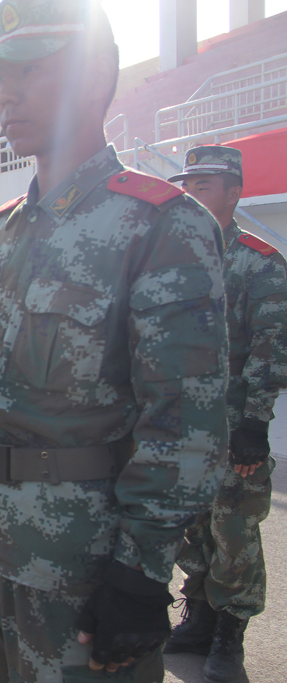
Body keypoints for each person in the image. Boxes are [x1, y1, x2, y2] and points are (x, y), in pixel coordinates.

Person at [0, 2, 229, 681]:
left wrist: (141, 571)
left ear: (96, 75)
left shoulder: (161, 224)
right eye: (0, 76)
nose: (5, 94)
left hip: (80, 567)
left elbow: (185, 422)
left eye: (30, 71)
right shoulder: (1, 232)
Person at [163, 145, 287, 683]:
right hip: (178, 425)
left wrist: (256, 422)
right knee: (191, 526)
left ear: (234, 193)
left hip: (234, 425)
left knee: (233, 529)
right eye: (187, 186)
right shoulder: (173, 260)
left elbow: (271, 347)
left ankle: (229, 636)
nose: (191, 195)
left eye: (204, 186)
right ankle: (199, 616)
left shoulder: (260, 262)